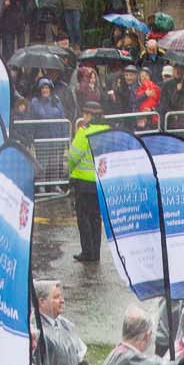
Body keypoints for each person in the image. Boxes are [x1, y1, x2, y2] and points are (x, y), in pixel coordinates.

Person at [67, 106, 107, 262]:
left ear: (90, 115)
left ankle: (87, 252)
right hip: (100, 181)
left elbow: (73, 156)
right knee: (96, 218)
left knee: (83, 218)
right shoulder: (108, 131)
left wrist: (71, 172)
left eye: (85, 114)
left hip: (83, 182)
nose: (83, 117)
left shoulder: (84, 132)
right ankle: (96, 252)